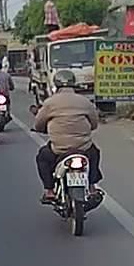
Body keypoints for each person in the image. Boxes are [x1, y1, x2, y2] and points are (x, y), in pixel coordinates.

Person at [33, 70, 103, 203]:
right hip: (83, 148)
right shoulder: (84, 101)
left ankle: (49, 190)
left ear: (56, 84)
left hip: (59, 149)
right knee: (95, 153)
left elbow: (38, 124)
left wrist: (43, 129)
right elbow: (94, 124)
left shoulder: (50, 103)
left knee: (42, 158)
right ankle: (92, 186)